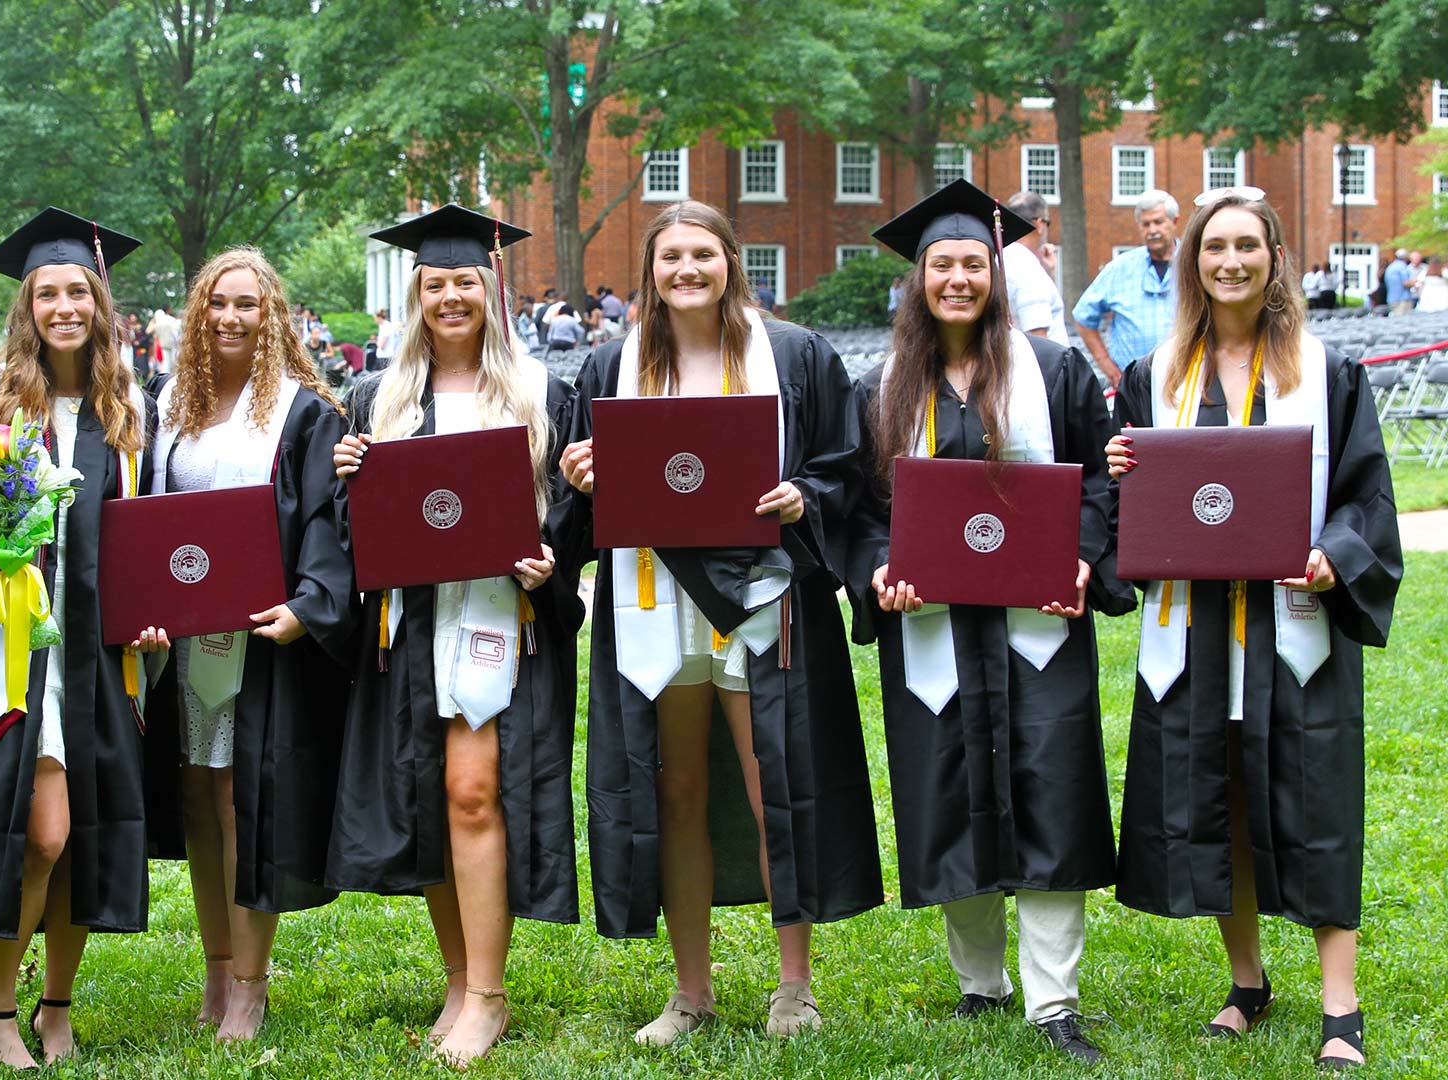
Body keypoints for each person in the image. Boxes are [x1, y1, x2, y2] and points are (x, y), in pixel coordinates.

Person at [555, 200, 883, 1046]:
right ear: (650, 273)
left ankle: (794, 987)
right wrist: (579, 475)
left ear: (730, 261)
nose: (687, 271)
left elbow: (847, 467)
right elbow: (571, 498)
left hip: (760, 596)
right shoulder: (607, 365)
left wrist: (804, 494)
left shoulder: (795, 355)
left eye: (702, 254)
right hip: (650, 598)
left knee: (771, 772)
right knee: (676, 785)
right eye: (670, 258)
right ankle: (691, 992)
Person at [1106, 190, 1401, 1070]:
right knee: (1220, 801)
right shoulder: (1153, 374)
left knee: (1318, 805)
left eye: (1246, 246)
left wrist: (1332, 555)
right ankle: (1247, 982)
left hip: (1295, 625)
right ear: (1192, 261)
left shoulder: (1325, 370)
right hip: (1195, 630)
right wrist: (1126, 464)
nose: (1229, 261)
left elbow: (1366, 492)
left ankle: (1339, 1007)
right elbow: (1143, 508)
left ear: (1274, 255)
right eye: (1213, 248)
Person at [850, 180, 1128, 1063]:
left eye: (975, 263)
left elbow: (1101, 483)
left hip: (1037, 630)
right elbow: (859, 512)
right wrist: (877, 572)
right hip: (931, 628)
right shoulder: (884, 385)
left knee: (1052, 790)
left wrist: (1083, 557)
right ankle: (981, 983)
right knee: (949, 793)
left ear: (998, 275)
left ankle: (1054, 1000)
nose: (959, 279)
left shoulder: (1053, 371)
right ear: (918, 280)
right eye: (943, 265)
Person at [326, 204, 580, 1068]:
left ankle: (489, 995)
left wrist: (553, 556)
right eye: (434, 284)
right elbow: (348, 529)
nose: (450, 297)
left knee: (474, 791)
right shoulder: (377, 398)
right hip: (410, 621)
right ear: (416, 296)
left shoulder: (546, 392)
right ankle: (458, 978)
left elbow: (578, 513)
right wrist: (347, 480)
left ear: (491, 288)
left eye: (465, 281)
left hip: (502, 617)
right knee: (430, 796)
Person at [0, 208, 153, 1069]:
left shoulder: (129, 410)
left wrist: (154, 614)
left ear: (100, 302)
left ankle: (58, 1005)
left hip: (99, 652)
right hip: (11, 655)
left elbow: (145, 536)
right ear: (28, 306)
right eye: (47, 292)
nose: (64, 306)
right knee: (40, 832)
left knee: (79, 831)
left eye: (78, 291)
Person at [139, 246, 356, 1043]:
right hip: (185, 642)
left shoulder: (302, 411)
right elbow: (146, 516)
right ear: (198, 313)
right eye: (217, 304)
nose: (230, 317)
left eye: (247, 304)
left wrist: (308, 607)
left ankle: (251, 983)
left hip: (261, 641)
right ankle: (214, 963)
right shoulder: (170, 406)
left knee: (243, 802)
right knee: (198, 797)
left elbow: (331, 523)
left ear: (274, 314)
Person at [1073, 189, 1181, 387]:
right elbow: (1083, 316)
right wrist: (1107, 366)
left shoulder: (1193, 264)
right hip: (1133, 385)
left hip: (1185, 381)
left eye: (1158, 222)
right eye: (1146, 224)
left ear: (1174, 222)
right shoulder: (1121, 268)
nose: (1152, 230)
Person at [1003, 191, 1069, 344]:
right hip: (1045, 366)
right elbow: (1039, 339)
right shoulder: (1027, 269)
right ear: (1039, 224)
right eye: (1048, 223)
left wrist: (1048, 272)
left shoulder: (1001, 258)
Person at [1383, 250, 1416, 317]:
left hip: (1391, 299)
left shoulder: (1391, 267)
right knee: (1403, 322)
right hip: (1402, 300)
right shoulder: (1402, 267)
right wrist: (1415, 282)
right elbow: (1406, 283)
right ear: (1405, 257)